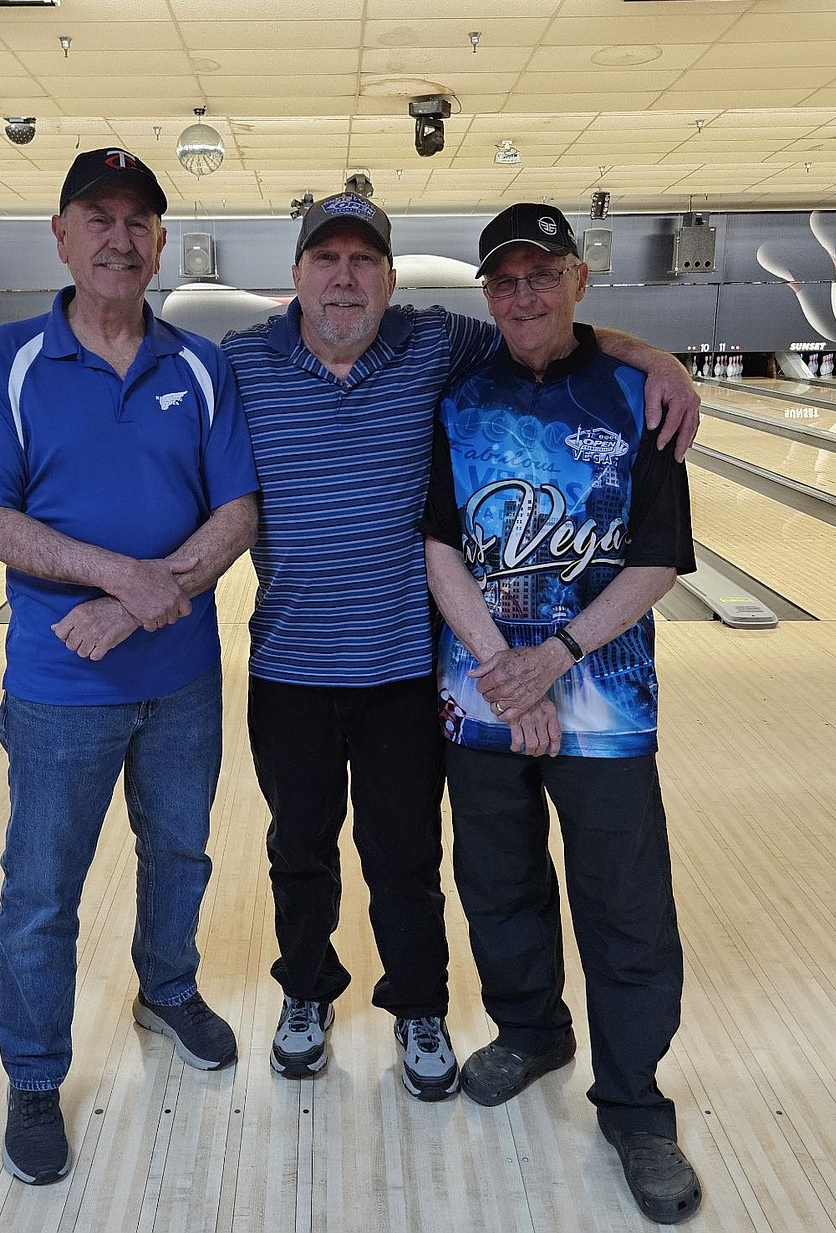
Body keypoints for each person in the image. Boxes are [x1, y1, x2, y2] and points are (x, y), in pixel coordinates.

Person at [219, 193, 700, 1104]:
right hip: (325, 670)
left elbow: (565, 350)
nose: (345, 277)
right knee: (323, 854)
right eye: (327, 259)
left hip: (434, 672)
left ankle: (456, 1022)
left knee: (419, 860)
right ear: (296, 276)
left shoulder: (439, 345)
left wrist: (659, 356)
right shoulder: (248, 360)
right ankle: (327, 998)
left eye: (365, 261)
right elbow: (431, 533)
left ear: (391, 279)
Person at [0, 148, 259, 1186]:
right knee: (41, 891)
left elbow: (238, 512)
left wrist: (136, 602)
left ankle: (167, 988)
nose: (120, 238)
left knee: (182, 855)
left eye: (139, 221)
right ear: (62, 232)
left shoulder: (200, 364)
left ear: (161, 242)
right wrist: (120, 576)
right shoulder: (11, 358)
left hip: (180, 682)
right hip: (57, 690)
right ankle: (34, 1076)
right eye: (99, 217)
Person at [420, 202, 701, 1223]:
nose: (524, 295)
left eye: (542, 275)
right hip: (482, 688)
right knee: (495, 880)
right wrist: (506, 667)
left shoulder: (638, 393)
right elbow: (440, 543)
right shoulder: (459, 393)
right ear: (488, 293)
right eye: (505, 280)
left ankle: (634, 1102)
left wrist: (555, 660)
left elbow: (659, 556)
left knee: (623, 903)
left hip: (604, 698)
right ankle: (531, 1027)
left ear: (579, 279)